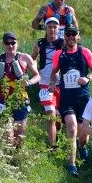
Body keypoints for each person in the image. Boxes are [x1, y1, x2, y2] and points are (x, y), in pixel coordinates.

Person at [51, 25, 92, 177]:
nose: (71, 36)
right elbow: (54, 72)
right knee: (71, 128)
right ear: (65, 37)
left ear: (78, 36)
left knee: (83, 133)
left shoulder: (85, 52)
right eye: (68, 34)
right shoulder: (59, 54)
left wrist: (87, 78)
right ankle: (71, 165)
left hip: (83, 98)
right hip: (67, 98)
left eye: (74, 34)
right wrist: (53, 82)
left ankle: (82, 146)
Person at [0, 32, 41, 147]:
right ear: (3, 44)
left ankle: (17, 159)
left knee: (19, 136)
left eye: (13, 43)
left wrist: (29, 82)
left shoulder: (24, 58)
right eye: (7, 43)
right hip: (3, 100)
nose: (10, 46)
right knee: (7, 135)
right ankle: (8, 159)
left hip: (20, 100)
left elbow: (37, 76)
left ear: (17, 43)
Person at [31, 17, 64, 147]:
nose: (52, 29)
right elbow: (32, 60)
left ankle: (58, 136)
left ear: (58, 29)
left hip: (61, 84)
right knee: (50, 114)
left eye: (55, 27)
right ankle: (53, 147)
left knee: (58, 117)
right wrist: (35, 71)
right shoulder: (39, 44)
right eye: (50, 27)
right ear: (45, 28)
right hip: (44, 83)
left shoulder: (63, 43)